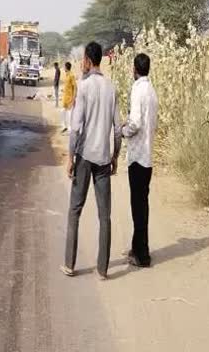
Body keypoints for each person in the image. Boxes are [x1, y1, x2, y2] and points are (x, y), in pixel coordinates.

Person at [61, 41, 121, 281]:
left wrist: (70, 157)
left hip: (85, 156)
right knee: (104, 215)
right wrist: (115, 156)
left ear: (87, 59)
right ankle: (103, 269)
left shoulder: (84, 87)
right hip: (104, 158)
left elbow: (76, 128)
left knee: (75, 209)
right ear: (101, 60)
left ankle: (69, 264)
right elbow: (117, 129)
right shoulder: (111, 87)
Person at [121, 53, 158, 268]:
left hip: (137, 157)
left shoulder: (138, 89)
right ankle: (137, 248)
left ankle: (142, 255)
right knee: (141, 204)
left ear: (135, 69)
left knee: (138, 207)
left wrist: (124, 131)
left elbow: (134, 123)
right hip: (147, 155)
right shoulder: (152, 91)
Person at [61, 62, 77, 132]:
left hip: (70, 98)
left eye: (64, 67)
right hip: (65, 97)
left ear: (66, 67)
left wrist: (74, 98)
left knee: (70, 113)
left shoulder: (71, 75)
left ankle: (70, 127)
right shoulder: (66, 75)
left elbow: (75, 87)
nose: (63, 68)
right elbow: (67, 86)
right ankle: (64, 126)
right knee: (63, 111)